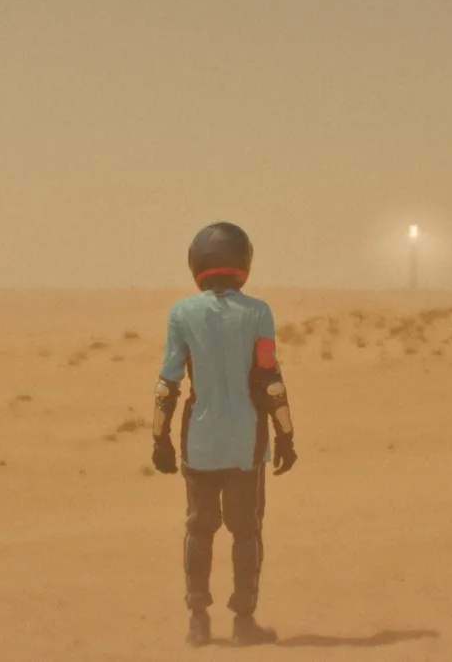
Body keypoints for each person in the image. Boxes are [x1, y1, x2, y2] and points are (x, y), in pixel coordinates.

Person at [150, 222, 298, 647]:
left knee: (199, 529)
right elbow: (270, 379)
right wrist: (286, 435)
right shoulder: (258, 313)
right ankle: (243, 621)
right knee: (246, 531)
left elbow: (167, 384)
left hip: (199, 442)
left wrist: (160, 438)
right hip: (245, 444)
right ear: (243, 261)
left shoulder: (181, 313)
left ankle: (198, 621)